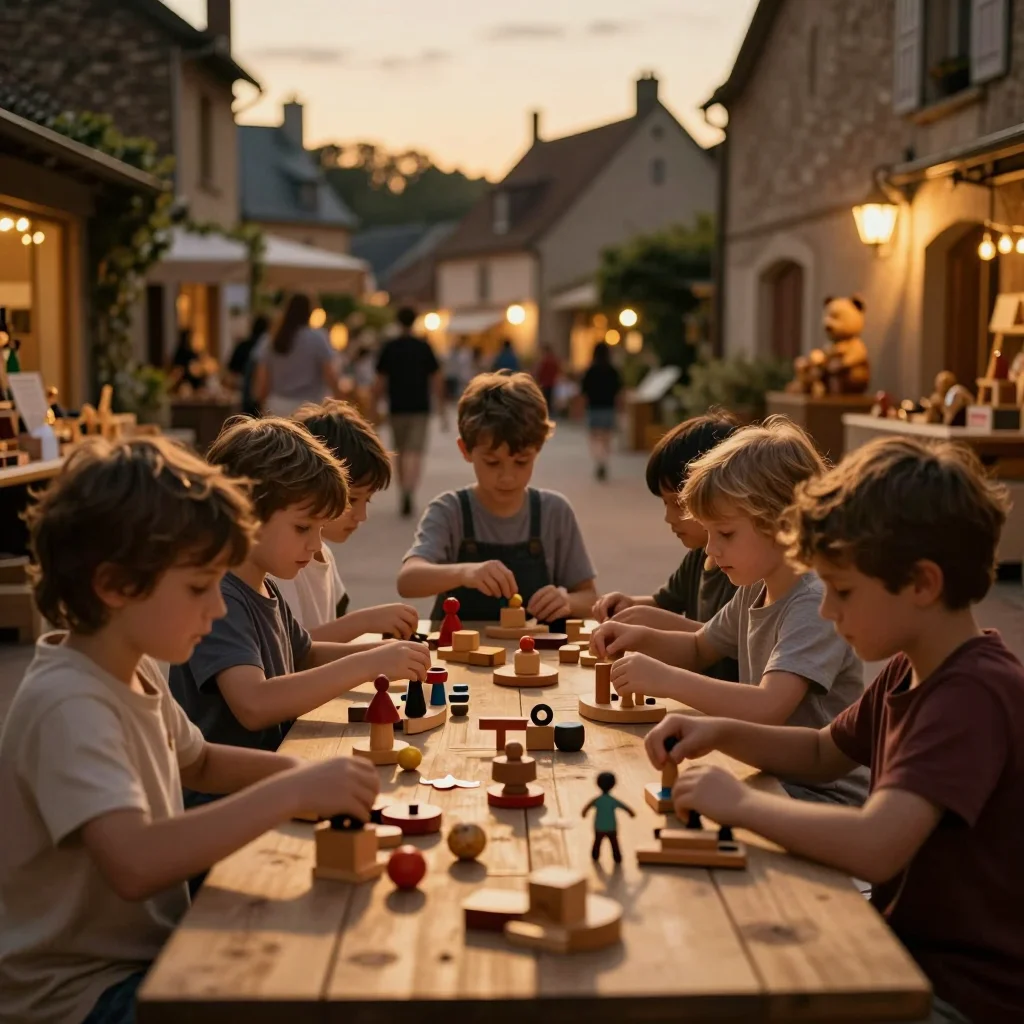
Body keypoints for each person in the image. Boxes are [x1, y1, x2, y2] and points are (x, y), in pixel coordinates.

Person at [0, 437, 380, 1024]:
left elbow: (200, 762)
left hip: (139, 958)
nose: (217, 608)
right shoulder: (69, 704)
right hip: (81, 997)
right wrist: (293, 794)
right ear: (115, 584)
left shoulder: (128, 674)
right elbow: (134, 863)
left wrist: (308, 776)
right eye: (199, 588)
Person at [646, 437, 1024, 1024]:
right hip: (904, 953)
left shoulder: (971, 695)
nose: (826, 610)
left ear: (922, 584)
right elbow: (825, 750)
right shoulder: (912, 666)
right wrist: (718, 732)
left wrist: (742, 803)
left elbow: (875, 847)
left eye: (843, 591)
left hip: (954, 995)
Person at [591, 417, 867, 806]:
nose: (710, 549)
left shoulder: (814, 600)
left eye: (726, 534)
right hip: (765, 772)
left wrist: (666, 680)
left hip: (819, 797)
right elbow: (699, 647)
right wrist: (639, 639)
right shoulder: (757, 584)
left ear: (783, 524)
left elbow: (768, 706)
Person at [169, 417, 430, 772]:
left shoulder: (263, 582)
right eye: (303, 527)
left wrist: (384, 654)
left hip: (280, 777)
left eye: (321, 528)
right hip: (234, 802)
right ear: (245, 512)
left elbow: (304, 655)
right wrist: (368, 664)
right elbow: (254, 704)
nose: (316, 543)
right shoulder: (220, 597)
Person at [397, 371, 598, 625]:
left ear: (538, 449)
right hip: (461, 658)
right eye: (493, 462)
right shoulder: (450, 510)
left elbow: (590, 597)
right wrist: (464, 571)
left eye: (521, 462)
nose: (507, 477)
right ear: (465, 450)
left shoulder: (554, 511)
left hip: (539, 660)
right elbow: (408, 580)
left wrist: (567, 601)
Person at [593, 414, 740, 680]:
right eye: (665, 503)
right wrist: (629, 605)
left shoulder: (745, 569)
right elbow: (664, 603)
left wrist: (646, 625)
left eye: (680, 504)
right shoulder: (698, 556)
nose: (669, 518)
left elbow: (722, 640)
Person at [272, 399, 420, 641]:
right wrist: (365, 622)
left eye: (367, 500)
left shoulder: (323, 554)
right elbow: (291, 652)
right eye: (352, 499)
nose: (361, 516)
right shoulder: (282, 564)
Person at [374, 306, 443, 517]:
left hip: (397, 406)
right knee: (415, 451)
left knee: (401, 450)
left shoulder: (390, 347)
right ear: (415, 321)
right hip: (420, 407)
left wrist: (372, 406)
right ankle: (410, 490)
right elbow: (436, 378)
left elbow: (380, 380)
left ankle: (402, 489)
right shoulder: (424, 347)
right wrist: (441, 406)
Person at [252, 294, 341, 417]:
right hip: (310, 410)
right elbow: (330, 376)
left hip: (277, 408)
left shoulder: (271, 339)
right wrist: (340, 404)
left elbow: (262, 384)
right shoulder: (318, 338)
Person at [580, 341, 622, 481]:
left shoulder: (590, 370)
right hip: (609, 408)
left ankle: (599, 460)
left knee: (594, 437)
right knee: (606, 438)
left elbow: (583, 391)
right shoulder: (612, 370)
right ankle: (604, 460)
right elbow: (618, 390)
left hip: (594, 408)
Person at [582, 771, 635, 864]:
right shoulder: (612, 800)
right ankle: (617, 857)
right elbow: (623, 806)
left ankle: (595, 855)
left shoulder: (598, 800)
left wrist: (584, 813)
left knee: (597, 842)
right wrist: (630, 813)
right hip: (611, 826)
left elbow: (588, 806)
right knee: (614, 843)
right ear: (613, 784)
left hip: (599, 826)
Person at [227, 314, 269, 417]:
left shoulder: (243, 346)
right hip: (262, 400)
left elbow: (230, 373)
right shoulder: (268, 347)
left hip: (245, 397)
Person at [533, 343, 560, 414]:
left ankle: (545, 412)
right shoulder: (554, 360)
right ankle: (549, 412)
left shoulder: (544, 361)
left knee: (544, 398)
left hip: (544, 383)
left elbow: (538, 372)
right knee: (549, 399)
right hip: (551, 382)